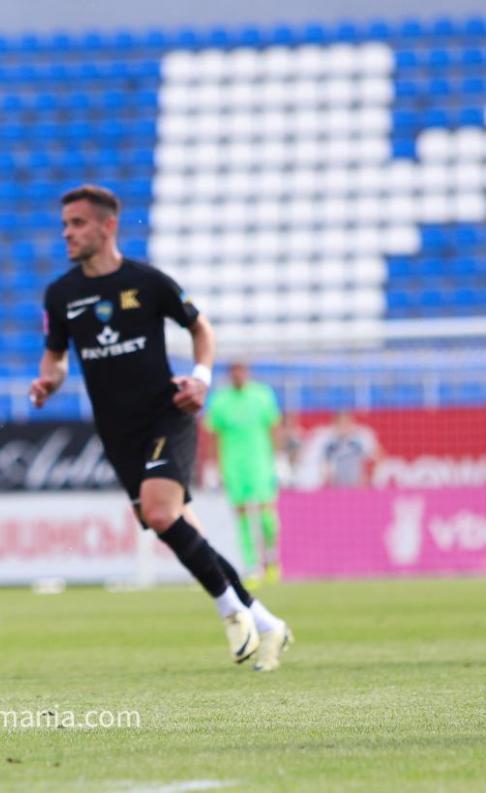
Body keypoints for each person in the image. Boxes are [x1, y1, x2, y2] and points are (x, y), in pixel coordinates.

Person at [29, 184, 293, 671]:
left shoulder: (148, 282)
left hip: (166, 414)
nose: (67, 233)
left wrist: (201, 378)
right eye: (65, 225)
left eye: (78, 223)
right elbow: (56, 357)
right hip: (117, 431)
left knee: (160, 512)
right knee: (170, 524)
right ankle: (267, 622)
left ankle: (231, 610)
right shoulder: (61, 294)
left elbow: (201, 328)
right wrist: (49, 381)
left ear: (108, 226)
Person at [205, 361, 283, 585]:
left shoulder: (262, 395)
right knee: (243, 518)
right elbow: (213, 434)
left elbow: (274, 427)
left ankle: (272, 557)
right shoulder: (220, 400)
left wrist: (279, 459)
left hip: (260, 463)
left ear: (248, 372)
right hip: (233, 466)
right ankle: (252, 566)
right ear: (230, 374)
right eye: (234, 371)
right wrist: (212, 465)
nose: (238, 375)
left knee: (267, 516)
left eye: (242, 370)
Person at [321, 411, 381, 488]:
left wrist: (369, 477)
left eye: (346, 423)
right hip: (337, 486)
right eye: (340, 424)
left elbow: (378, 458)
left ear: (352, 423)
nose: (343, 427)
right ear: (335, 425)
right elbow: (325, 466)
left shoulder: (361, 440)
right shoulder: (330, 444)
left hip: (358, 485)